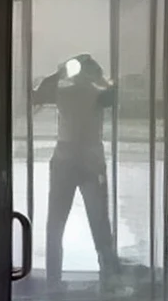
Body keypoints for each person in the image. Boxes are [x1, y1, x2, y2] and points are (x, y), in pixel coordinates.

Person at [32, 54, 120, 285]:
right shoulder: (99, 94)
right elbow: (113, 92)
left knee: (56, 221)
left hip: (65, 156)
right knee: (99, 219)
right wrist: (98, 77)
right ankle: (108, 272)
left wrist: (61, 71)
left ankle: (53, 275)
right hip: (91, 157)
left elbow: (37, 95)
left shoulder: (64, 92)